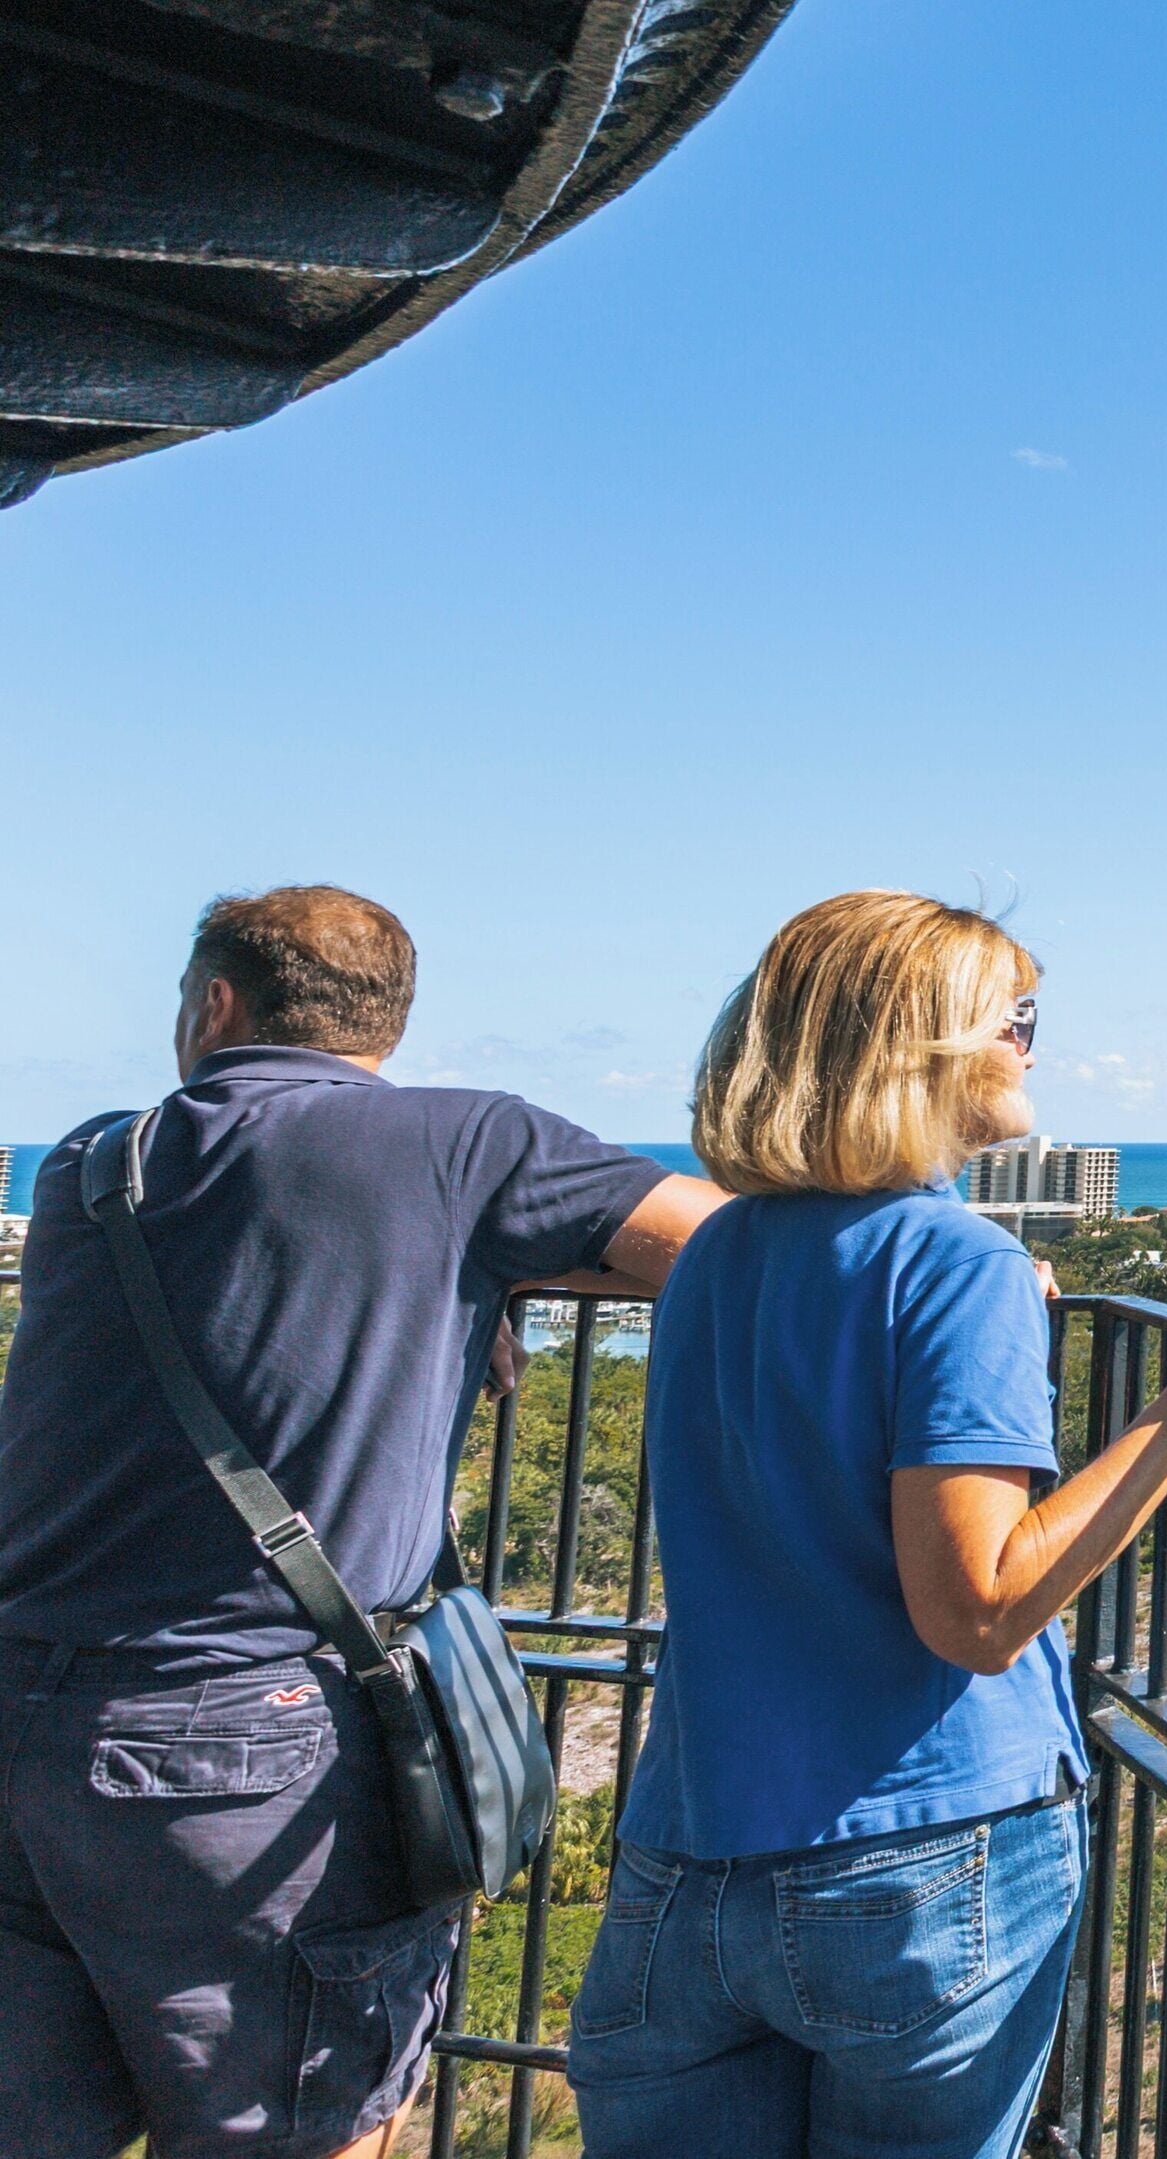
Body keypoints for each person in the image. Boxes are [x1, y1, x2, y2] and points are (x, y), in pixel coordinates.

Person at [0, 886, 724, 2159]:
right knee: (303, 2127)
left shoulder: (86, 1165)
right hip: (245, 1755)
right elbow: (726, 1248)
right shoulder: (465, 1145)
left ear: (215, 1003)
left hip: (28, 1714)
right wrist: (477, 1260)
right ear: (389, 1018)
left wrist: (462, 1264)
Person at [570, 892, 1167, 2159]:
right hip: (915, 1862)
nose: (1032, 1044)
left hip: (690, 1843)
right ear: (924, 1045)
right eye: (1014, 1018)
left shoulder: (718, 1252)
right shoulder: (958, 1263)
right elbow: (981, 1610)